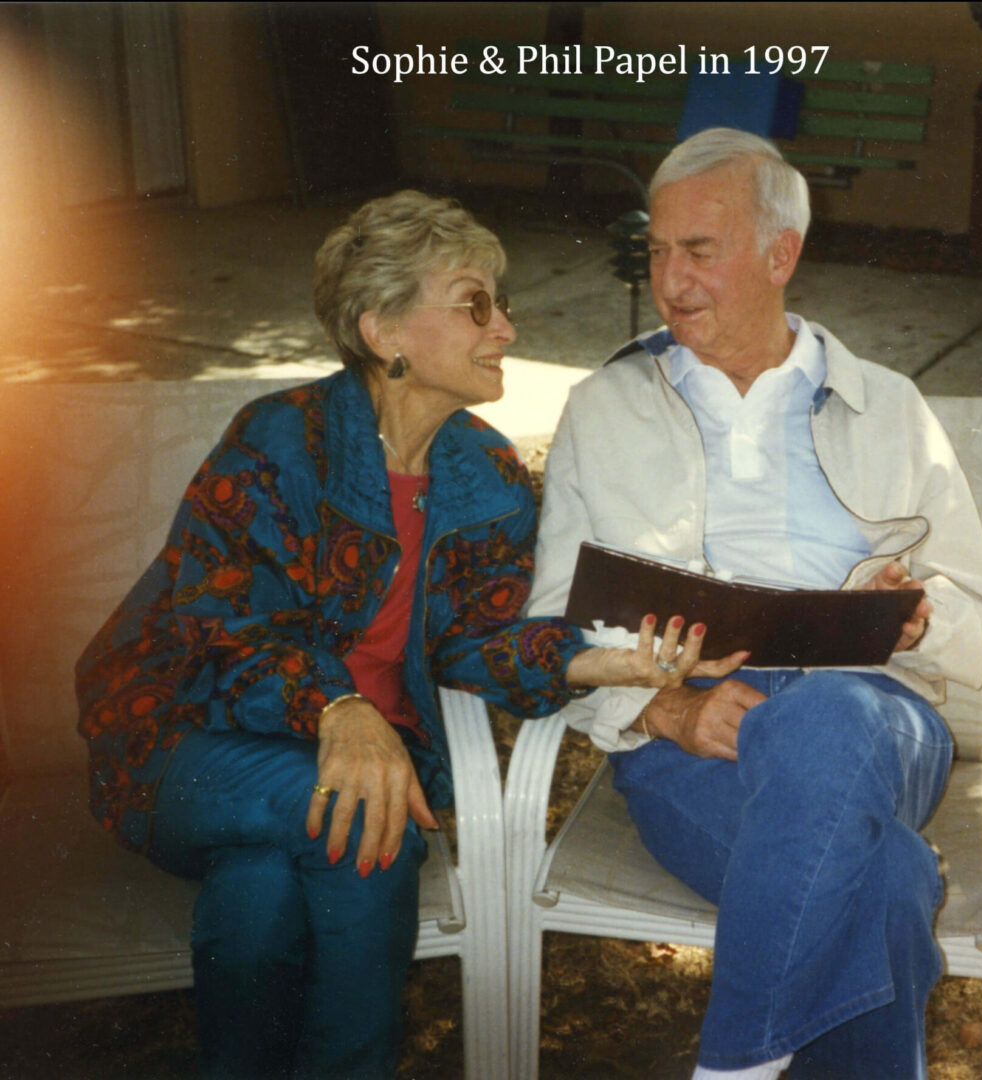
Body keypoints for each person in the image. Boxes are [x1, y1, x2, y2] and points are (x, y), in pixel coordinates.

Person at [75, 190, 738, 1080]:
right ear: (382, 326)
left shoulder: (488, 473)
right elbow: (223, 630)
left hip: (362, 764)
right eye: (474, 303)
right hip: (185, 741)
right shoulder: (281, 440)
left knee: (264, 897)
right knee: (367, 823)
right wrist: (342, 709)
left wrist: (603, 660)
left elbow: (478, 639)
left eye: (499, 302)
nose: (504, 325)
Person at [526, 128, 982, 1080]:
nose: (670, 279)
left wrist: (918, 616)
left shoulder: (890, 406)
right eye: (656, 251)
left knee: (828, 715)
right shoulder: (603, 407)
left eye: (698, 251)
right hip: (691, 738)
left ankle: (734, 1058)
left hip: (876, 715)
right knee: (888, 881)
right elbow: (553, 619)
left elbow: (977, 622)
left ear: (779, 253)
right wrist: (664, 709)